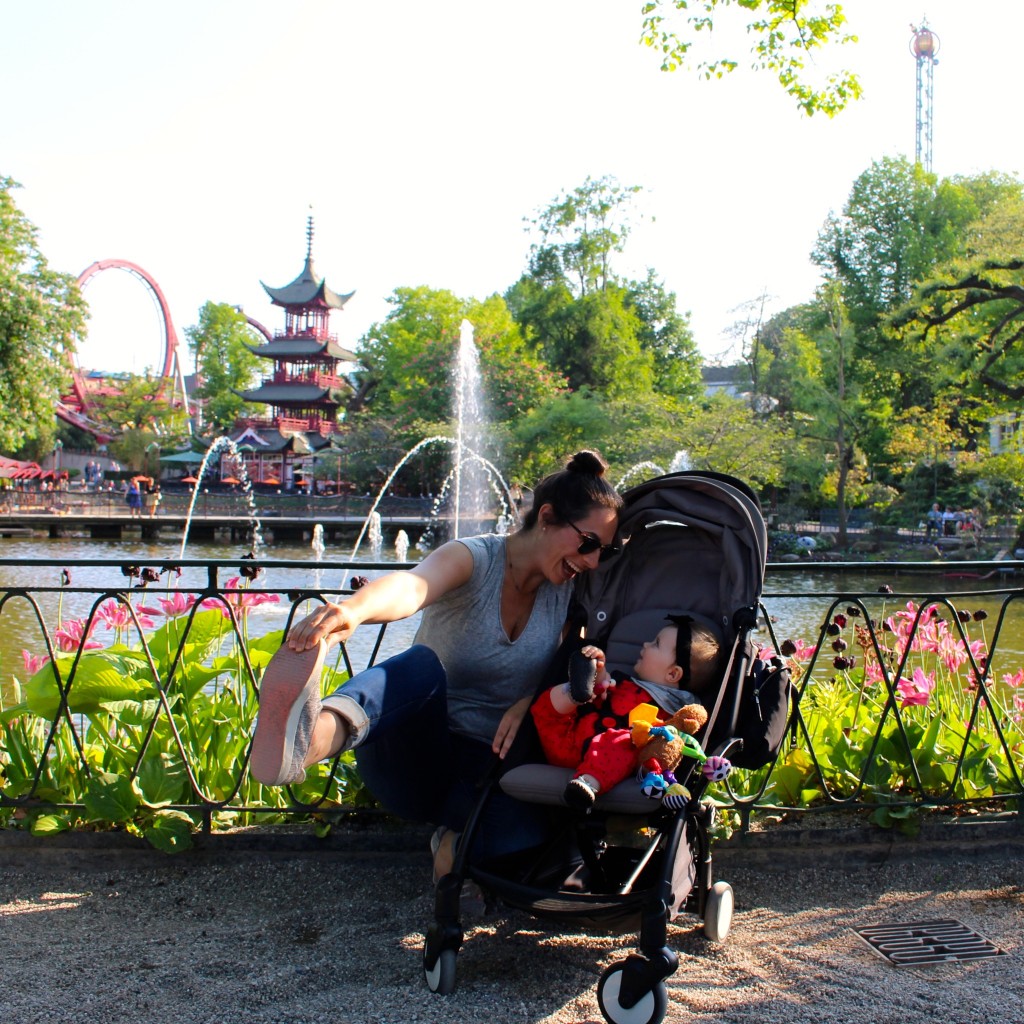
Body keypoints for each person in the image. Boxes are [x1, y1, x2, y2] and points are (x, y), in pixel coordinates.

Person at [250, 449, 623, 879]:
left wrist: (531, 700)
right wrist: (353, 611)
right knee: (420, 667)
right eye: (589, 543)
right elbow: (412, 584)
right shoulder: (475, 558)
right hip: (415, 759)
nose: (593, 561)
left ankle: (453, 843)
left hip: (492, 773)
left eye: (604, 552)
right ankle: (308, 740)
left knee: (527, 846)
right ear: (547, 517)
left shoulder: (569, 593)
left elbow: (568, 671)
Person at [530, 614, 721, 809]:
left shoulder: (669, 711)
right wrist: (599, 671)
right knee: (547, 704)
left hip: (604, 759)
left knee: (623, 742)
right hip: (568, 739)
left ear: (673, 674)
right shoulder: (627, 683)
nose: (646, 644)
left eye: (655, 644)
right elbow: (606, 690)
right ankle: (575, 692)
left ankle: (588, 783)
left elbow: (662, 740)